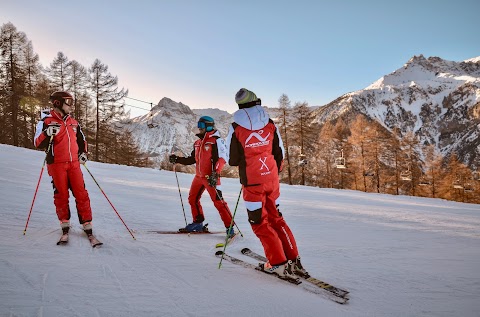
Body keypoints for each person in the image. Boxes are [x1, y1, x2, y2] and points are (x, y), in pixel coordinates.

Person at [225, 88, 308, 280]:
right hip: (271, 179)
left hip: (252, 183)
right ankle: (293, 260)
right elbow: (280, 152)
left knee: (260, 223)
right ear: (256, 102)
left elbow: (232, 159)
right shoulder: (270, 123)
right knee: (276, 219)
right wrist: (272, 172)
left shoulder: (236, 127)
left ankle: (278, 263)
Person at [34, 91, 95, 239]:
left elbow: (82, 141)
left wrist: (83, 154)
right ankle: (64, 222)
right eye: (68, 102)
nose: (71, 106)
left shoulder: (74, 123)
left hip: (74, 164)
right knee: (61, 195)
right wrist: (47, 133)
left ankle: (86, 222)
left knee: (81, 193)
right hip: (56, 164)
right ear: (58, 103)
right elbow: (37, 142)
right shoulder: (45, 121)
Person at [169, 116, 235, 236]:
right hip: (199, 177)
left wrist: (216, 173)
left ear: (209, 126)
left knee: (218, 202)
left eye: (202, 126)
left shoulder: (216, 140)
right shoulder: (198, 143)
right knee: (192, 199)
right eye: (199, 126)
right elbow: (191, 159)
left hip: (211, 177)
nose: (199, 128)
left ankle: (230, 228)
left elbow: (222, 158)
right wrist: (177, 159)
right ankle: (198, 223)